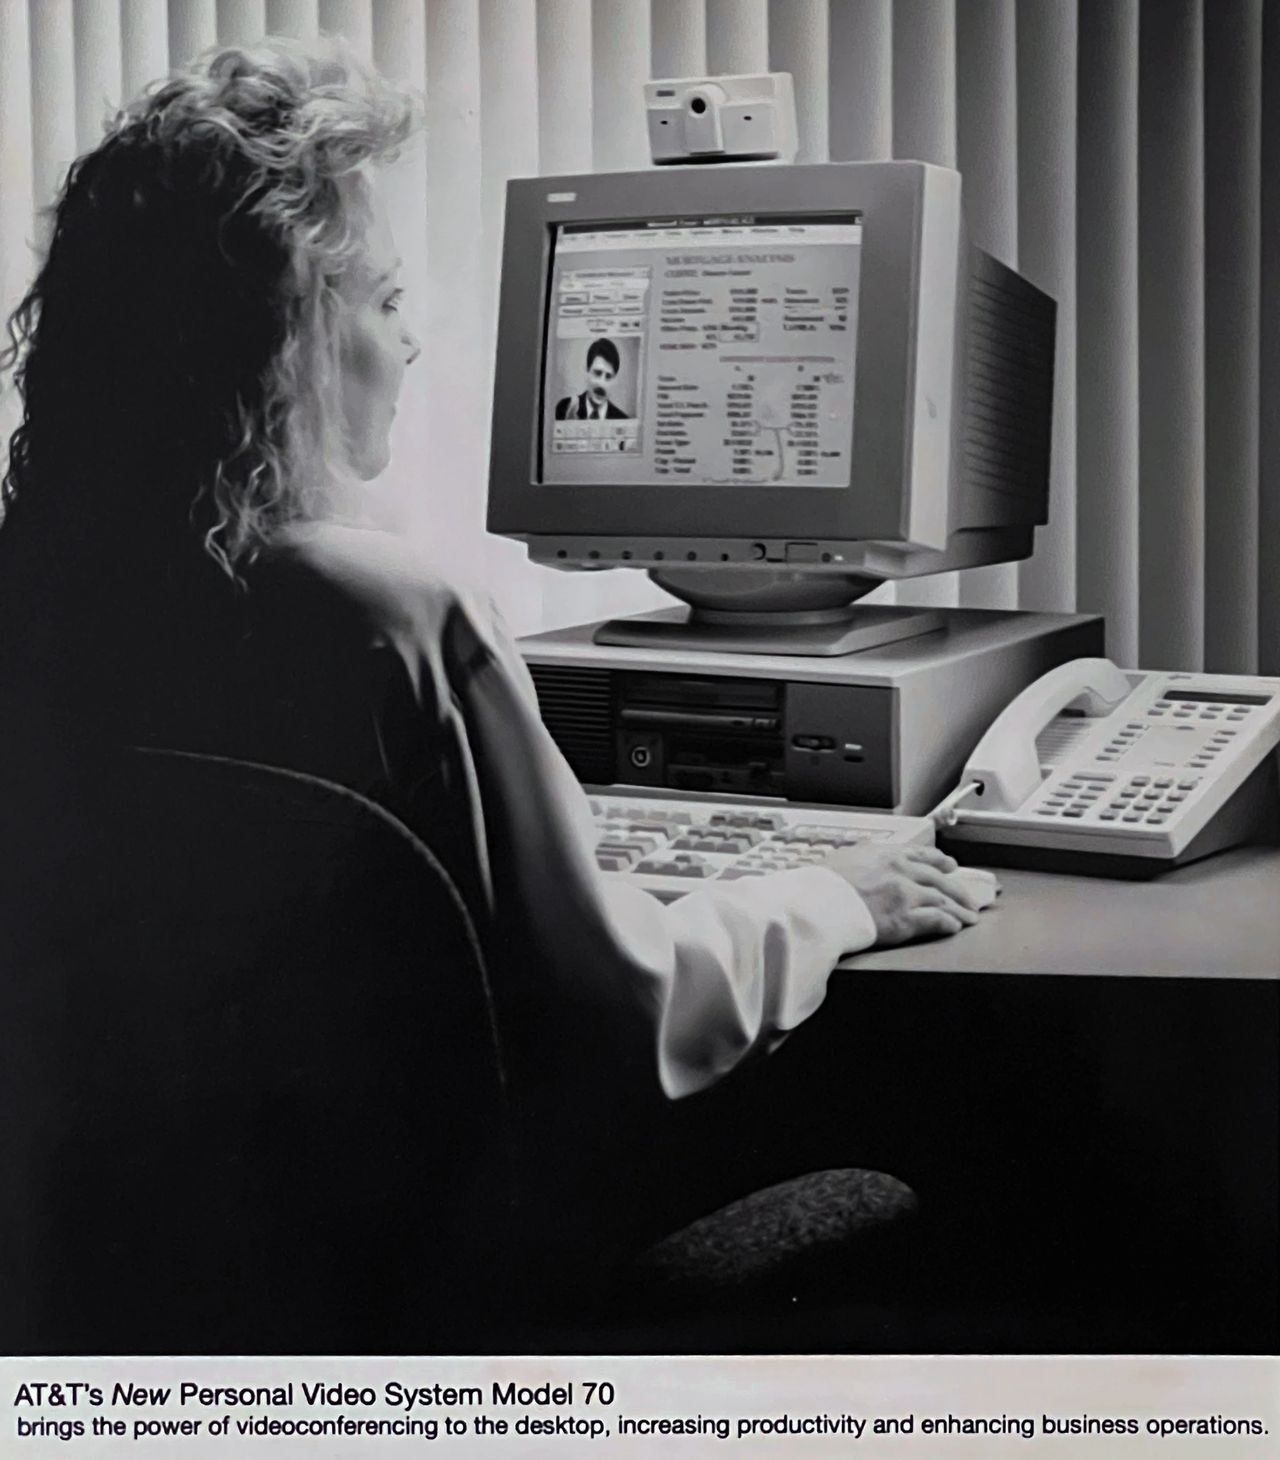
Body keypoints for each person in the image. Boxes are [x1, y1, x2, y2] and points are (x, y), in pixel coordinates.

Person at [0, 37, 990, 1111]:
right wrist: (830, 894)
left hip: (169, 1239)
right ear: (281, 338)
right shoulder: (393, 616)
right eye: (382, 300)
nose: (412, 341)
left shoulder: (38, 588)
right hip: (450, 1250)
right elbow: (626, 1005)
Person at [555, 336, 630, 420]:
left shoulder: (622, 419)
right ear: (587, 371)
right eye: (597, 373)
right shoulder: (564, 408)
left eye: (608, 376)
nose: (602, 383)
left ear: (614, 381)